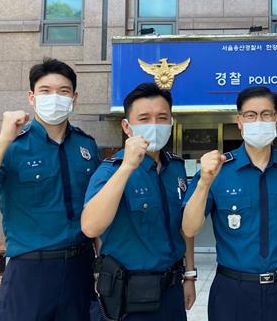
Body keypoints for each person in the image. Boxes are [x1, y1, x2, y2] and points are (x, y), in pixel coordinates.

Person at [0, 58, 100, 321]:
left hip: (80, 269)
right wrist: (4, 139)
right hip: (30, 271)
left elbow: (96, 208)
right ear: (32, 97)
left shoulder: (87, 147)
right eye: (45, 91)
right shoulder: (11, 145)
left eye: (63, 91)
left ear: (74, 98)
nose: (55, 98)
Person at [182, 86, 277, 321]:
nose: (259, 120)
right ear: (239, 121)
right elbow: (189, 228)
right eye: (250, 115)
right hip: (233, 291)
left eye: (266, 114)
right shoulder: (218, 170)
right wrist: (203, 183)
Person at [82, 82, 195, 321]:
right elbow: (91, 226)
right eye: (144, 118)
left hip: (172, 290)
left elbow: (184, 226)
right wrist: (128, 167)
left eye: (162, 117)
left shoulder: (175, 168)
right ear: (127, 126)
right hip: (129, 295)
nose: (154, 125)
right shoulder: (110, 170)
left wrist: (189, 275)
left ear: (171, 122)